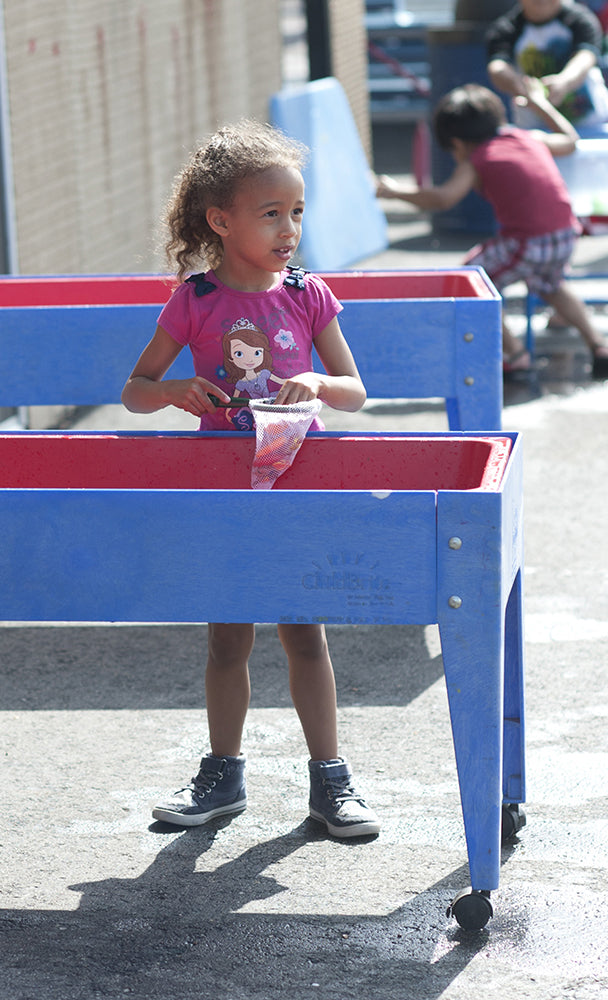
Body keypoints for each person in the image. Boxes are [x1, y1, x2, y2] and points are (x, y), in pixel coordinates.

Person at [120, 119, 380, 838]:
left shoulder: (307, 293)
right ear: (220, 221)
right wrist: (173, 391)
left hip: (294, 487)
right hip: (225, 493)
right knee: (227, 642)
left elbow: (356, 391)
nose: (289, 228)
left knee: (305, 635)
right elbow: (135, 391)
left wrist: (315, 382)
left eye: (296, 211)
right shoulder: (195, 300)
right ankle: (223, 777)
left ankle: (331, 781)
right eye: (271, 213)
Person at [376, 79, 608, 376]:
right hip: (565, 235)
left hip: (529, 242)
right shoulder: (528, 137)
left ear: (457, 143)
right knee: (552, 287)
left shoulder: (477, 158)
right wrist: (537, 102)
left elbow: (443, 198)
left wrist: (396, 192)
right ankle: (598, 345)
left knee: (473, 279)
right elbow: (570, 140)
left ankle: (516, 354)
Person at [486, 0, 608, 132]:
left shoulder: (580, 18)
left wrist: (564, 81)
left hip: (592, 125)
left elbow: (586, 55)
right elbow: (497, 66)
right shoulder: (505, 29)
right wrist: (522, 87)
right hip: (534, 130)